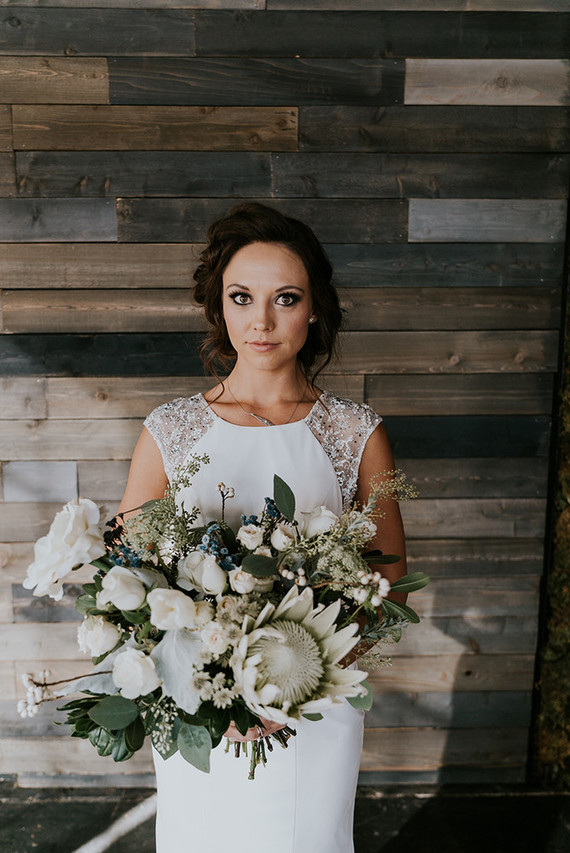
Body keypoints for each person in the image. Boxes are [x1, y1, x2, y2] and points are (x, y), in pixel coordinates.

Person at [118, 202, 407, 853]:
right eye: (242, 297)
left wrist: (295, 687)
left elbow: (388, 586)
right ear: (220, 306)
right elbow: (128, 582)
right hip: (198, 707)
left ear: (315, 309)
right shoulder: (169, 431)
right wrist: (209, 690)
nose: (262, 321)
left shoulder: (354, 432)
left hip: (312, 710)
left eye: (286, 298)